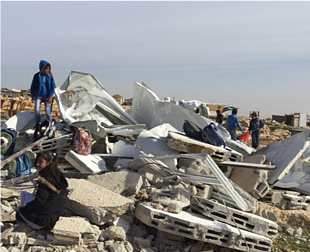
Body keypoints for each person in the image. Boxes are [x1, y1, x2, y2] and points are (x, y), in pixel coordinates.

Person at [16, 151, 68, 230]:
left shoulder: (45, 180)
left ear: (49, 163)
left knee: (20, 213)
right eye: (37, 161)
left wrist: (26, 207)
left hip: (46, 221)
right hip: (58, 216)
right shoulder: (59, 176)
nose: (37, 164)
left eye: (41, 162)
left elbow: (40, 201)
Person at [30, 60, 55, 140]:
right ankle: (38, 123)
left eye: (48, 69)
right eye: (46, 69)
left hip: (47, 96)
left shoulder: (50, 76)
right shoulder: (37, 76)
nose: (47, 70)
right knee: (37, 110)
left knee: (48, 111)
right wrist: (32, 95)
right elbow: (33, 86)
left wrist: (51, 96)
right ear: (42, 68)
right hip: (39, 95)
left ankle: (49, 124)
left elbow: (52, 86)